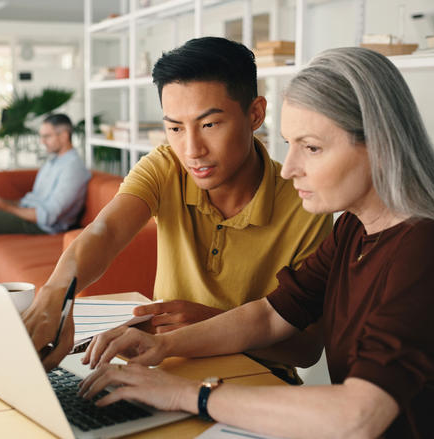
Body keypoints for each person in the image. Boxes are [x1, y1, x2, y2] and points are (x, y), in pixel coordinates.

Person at [77, 47, 434, 438]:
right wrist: (163, 346)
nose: (288, 169)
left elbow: (359, 415)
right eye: (289, 145)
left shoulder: (425, 250)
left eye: (313, 148)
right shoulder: (355, 229)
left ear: (380, 146)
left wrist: (188, 395)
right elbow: (270, 316)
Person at [23, 37, 332, 378]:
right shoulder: (166, 165)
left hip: (255, 382)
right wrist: (56, 295)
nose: (191, 150)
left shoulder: (305, 203)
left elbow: (306, 350)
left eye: (209, 124)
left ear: (255, 113)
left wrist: (209, 323)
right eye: (174, 128)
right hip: (162, 368)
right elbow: (106, 231)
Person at [0, 113, 90, 273]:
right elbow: (32, 200)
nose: (42, 141)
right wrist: (2, 202)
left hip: (42, 226)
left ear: (64, 136)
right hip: (28, 215)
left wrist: (4, 207)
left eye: (47, 136)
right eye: (41, 136)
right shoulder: (53, 161)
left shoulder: (73, 169)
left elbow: (48, 215)